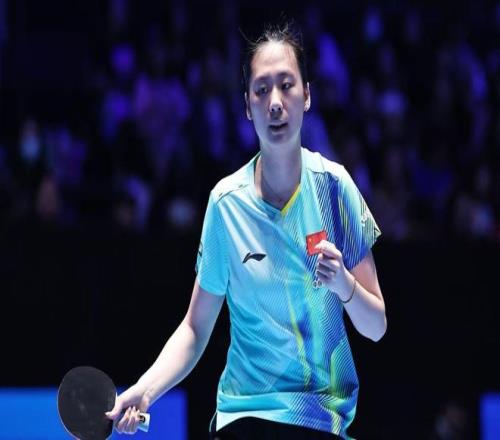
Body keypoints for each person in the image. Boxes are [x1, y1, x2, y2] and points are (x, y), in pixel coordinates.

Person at [106, 21, 387, 440]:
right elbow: (195, 328)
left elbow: (376, 326)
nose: (275, 102)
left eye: (286, 86)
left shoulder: (335, 189)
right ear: (247, 106)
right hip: (244, 416)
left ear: (307, 95)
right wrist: (144, 391)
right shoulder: (226, 204)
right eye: (261, 90)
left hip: (318, 417)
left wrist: (343, 283)